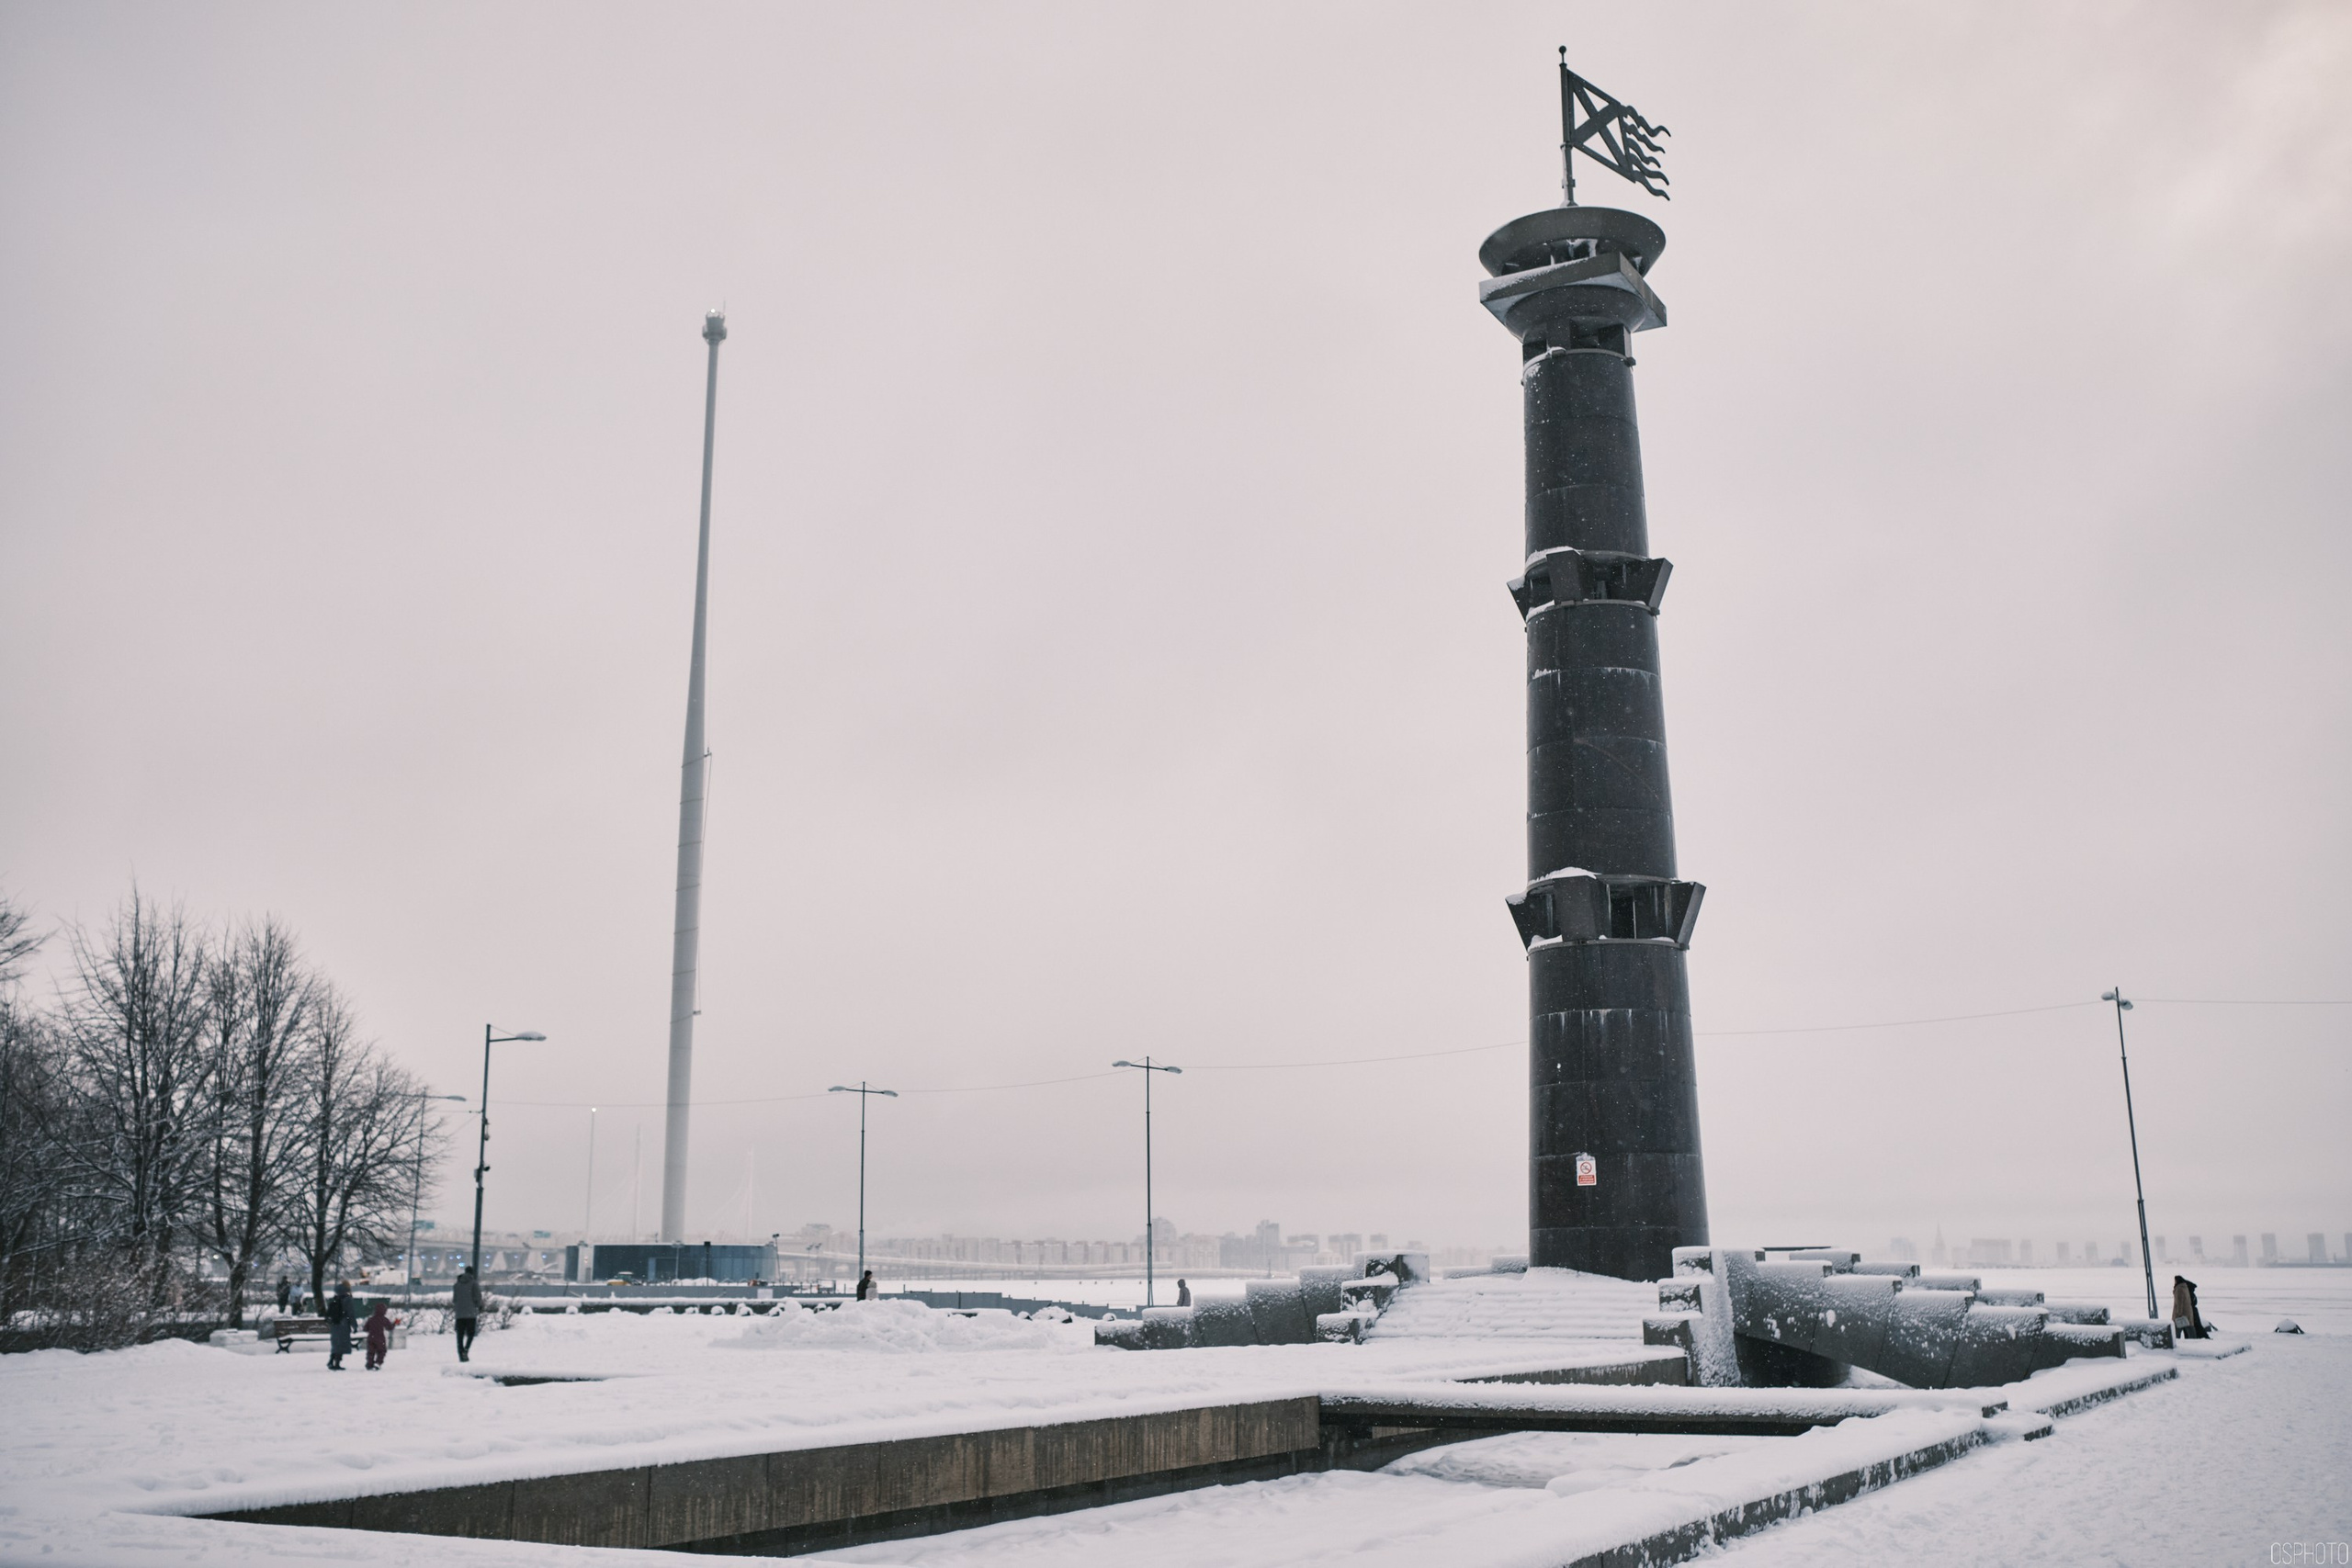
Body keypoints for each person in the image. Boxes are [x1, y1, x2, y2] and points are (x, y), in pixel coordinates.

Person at [452, 1266, 481, 1362]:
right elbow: (477, 1298)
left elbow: (454, 1299)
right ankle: (466, 1350)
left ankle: (460, 1353)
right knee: (471, 1333)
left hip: (459, 1314)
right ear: (472, 1273)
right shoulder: (474, 1284)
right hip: (470, 1314)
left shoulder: (457, 1284)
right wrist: (478, 1306)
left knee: (459, 1335)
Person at [324, 1280, 355, 1371]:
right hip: (343, 1324)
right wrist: (355, 1325)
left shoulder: (336, 1297)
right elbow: (350, 1313)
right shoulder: (347, 1298)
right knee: (341, 1344)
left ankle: (331, 1361)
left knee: (336, 1344)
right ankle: (336, 1363)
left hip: (335, 1323)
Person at [2171, 1274, 2209, 1339]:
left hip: (2181, 1314)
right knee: (2190, 1328)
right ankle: (2193, 1341)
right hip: (2188, 1312)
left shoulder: (2179, 1289)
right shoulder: (2185, 1287)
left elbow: (2179, 1302)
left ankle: (2175, 1341)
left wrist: (2178, 1313)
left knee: (2176, 1330)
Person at [364, 1301, 399, 1371]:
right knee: (382, 1351)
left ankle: (369, 1364)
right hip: (380, 1338)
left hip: (371, 1338)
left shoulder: (371, 1319)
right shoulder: (384, 1319)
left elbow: (365, 1329)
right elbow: (390, 1328)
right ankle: (378, 1363)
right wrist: (395, 1323)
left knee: (371, 1352)